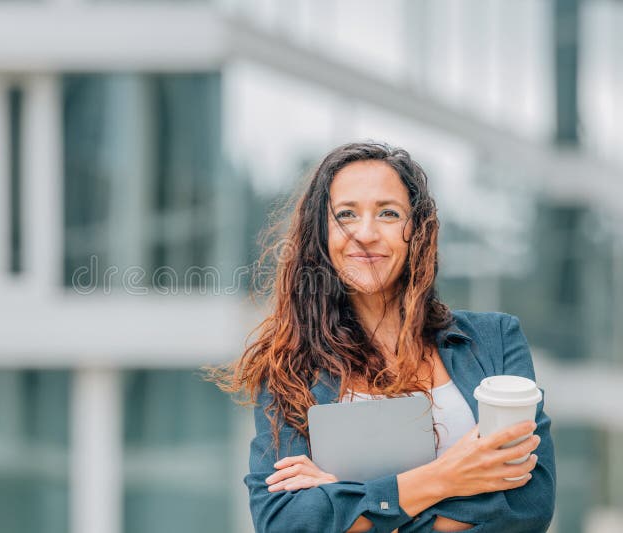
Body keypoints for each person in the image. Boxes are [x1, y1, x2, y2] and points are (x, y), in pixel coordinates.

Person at [209, 142, 555, 532]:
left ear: (417, 231)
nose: (366, 233)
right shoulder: (291, 368)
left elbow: (529, 506)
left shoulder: (495, 340)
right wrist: (447, 476)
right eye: (346, 214)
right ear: (321, 234)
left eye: (388, 213)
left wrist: (350, 504)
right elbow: (285, 522)